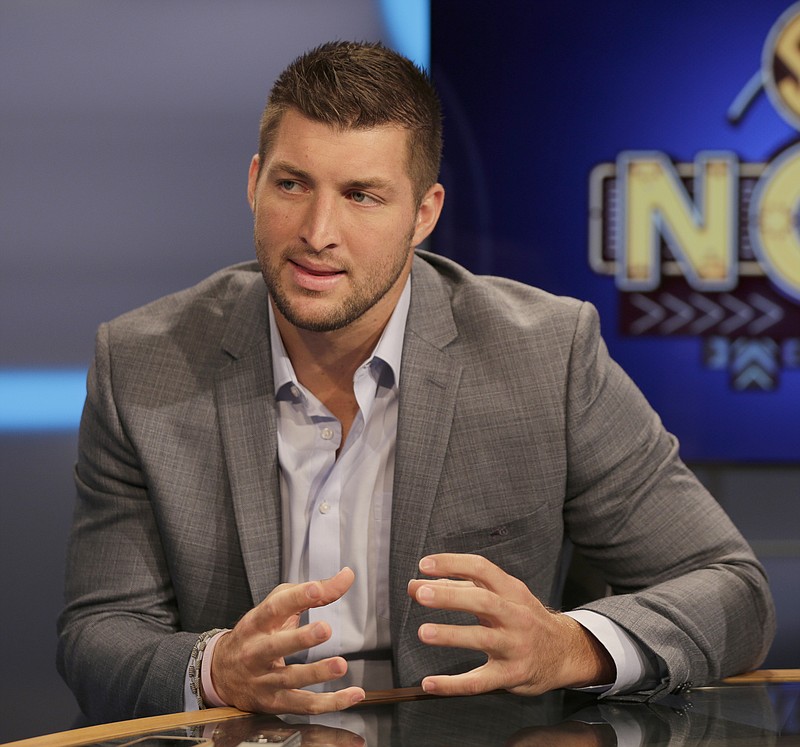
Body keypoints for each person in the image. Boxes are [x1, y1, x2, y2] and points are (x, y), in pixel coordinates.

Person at [57, 40, 775, 723]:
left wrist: (570, 645)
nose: (316, 230)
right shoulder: (141, 363)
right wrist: (214, 669)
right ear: (253, 183)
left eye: (362, 195)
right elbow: (98, 631)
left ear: (423, 214)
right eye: (291, 183)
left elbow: (733, 588)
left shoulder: (545, 356)